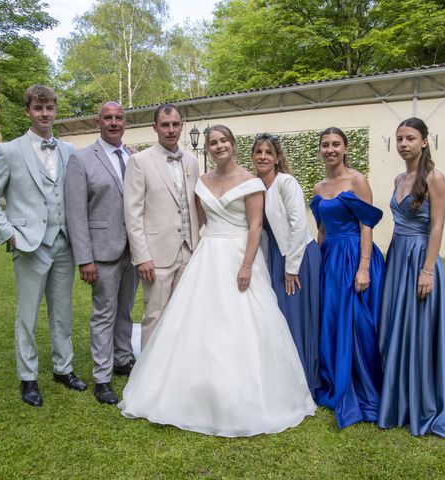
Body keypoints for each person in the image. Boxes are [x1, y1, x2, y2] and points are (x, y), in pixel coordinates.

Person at [118, 125, 316, 437]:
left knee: (241, 325)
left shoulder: (251, 182)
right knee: (198, 324)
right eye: (213, 142)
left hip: (239, 254)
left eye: (223, 140)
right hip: (208, 254)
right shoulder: (202, 181)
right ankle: (193, 386)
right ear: (207, 148)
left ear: (233, 144)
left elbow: (255, 225)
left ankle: (241, 392)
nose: (218, 146)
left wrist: (247, 265)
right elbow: (202, 220)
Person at [377, 117, 445, 437]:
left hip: (421, 259)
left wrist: (427, 271)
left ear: (424, 141)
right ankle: (398, 394)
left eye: (410, 138)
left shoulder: (435, 178)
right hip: (398, 257)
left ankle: (423, 399)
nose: (403, 144)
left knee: (419, 330)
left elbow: (437, 226)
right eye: (399, 138)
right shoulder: (399, 177)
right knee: (394, 326)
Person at [0, 84, 86, 407]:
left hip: (63, 243)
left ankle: (63, 369)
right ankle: (28, 378)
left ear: (55, 110)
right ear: (28, 111)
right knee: (27, 315)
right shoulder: (9, 151)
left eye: (49, 108)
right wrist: (8, 232)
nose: (45, 114)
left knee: (63, 312)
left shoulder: (69, 151)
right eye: (38, 108)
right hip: (28, 245)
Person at [309, 127, 385, 428]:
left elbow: (367, 225)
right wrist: (316, 261)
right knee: (331, 320)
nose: (330, 150)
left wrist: (363, 267)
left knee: (359, 323)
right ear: (320, 149)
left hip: (356, 255)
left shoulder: (358, 180)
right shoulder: (318, 187)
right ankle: (333, 378)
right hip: (330, 258)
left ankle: (362, 381)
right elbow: (322, 230)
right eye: (325, 145)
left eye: (336, 144)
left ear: (345, 147)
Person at [64, 101, 139, 405]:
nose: (113, 122)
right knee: (103, 315)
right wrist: (85, 258)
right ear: (98, 123)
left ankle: (123, 359)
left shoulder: (134, 157)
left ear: (125, 122)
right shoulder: (80, 160)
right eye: (107, 118)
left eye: (118, 118)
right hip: (102, 253)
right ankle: (102, 377)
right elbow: (76, 213)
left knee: (125, 310)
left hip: (132, 251)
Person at [123, 104, 200, 349]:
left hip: (190, 251)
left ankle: (175, 371)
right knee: (154, 316)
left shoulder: (191, 160)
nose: (171, 130)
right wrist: (142, 256)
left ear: (182, 126)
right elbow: (132, 213)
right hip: (156, 255)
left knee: (184, 317)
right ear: (154, 127)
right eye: (165, 125)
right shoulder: (139, 161)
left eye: (175, 124)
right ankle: (147, 376)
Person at [251, 133, 321, 398]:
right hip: (275, 258)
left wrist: (291, 267)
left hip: (298, 256)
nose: (263, 157)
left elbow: (298, 224)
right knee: (280, 316)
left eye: (269, 152)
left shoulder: (285, 182)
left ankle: (304, 379)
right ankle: (284, 376)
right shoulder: (256, 186)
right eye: (259, 152)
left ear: (278, 157)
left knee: (296, 317)